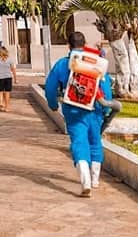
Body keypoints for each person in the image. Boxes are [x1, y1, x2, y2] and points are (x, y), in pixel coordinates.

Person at [44, 31, 114, 197]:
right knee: (95, 141)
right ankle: (95, 180)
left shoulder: (63, 64)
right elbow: (105, 88)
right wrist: (106, 109)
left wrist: (53, 105)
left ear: (68, 45)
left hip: (73, 110)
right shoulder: (97, 62)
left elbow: (50, 87)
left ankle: (85, 181)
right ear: (85, 43)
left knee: (79, 142)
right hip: (95, 109)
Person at [0, 45, 17, 112]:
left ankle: (1, 104)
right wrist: (15, 78)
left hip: (0, 78)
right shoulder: (10, 59)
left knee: (0, 92)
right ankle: (7, 107)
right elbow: (13, 69)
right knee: (7, 93)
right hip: (8, 78)